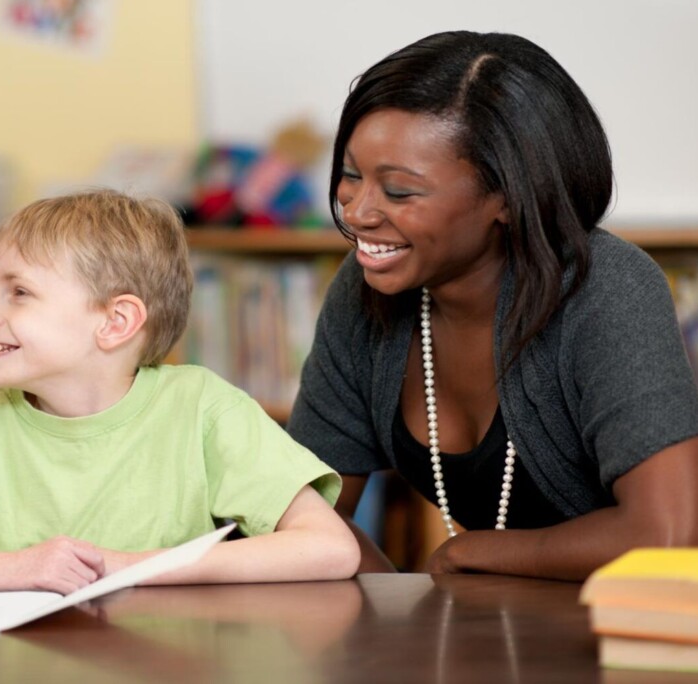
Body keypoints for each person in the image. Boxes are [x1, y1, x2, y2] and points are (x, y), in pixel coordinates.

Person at [287, 31, 698, 581]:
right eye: (352, 176)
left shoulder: (607, 288)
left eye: (400, 192)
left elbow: (666, 536)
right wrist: (399, 612)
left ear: (506, 196)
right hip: (506, 634)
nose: (358, 214)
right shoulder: (365, 289)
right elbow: (300, 517)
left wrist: (470, 553)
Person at [0, 190, 359, 592]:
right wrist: (19, 568)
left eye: (19, 292)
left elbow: (330, 548)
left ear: (116, 321)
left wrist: (124, 568)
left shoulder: (202, 409)